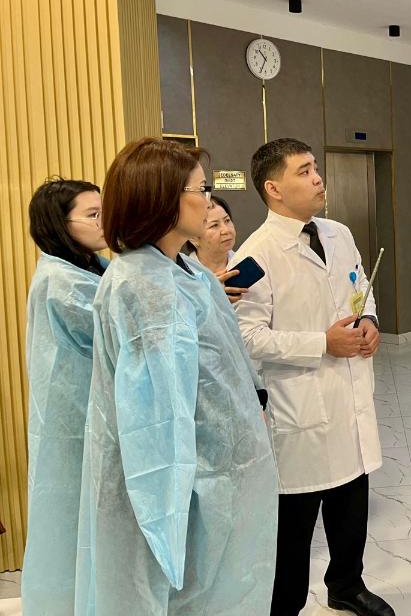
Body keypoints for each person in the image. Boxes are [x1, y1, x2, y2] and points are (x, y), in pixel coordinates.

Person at [74, 137, 278, 614]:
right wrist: (174, 512)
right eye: (200, 190)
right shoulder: (145, 287)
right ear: (162, 199)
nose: (210, 201)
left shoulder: (185, 270)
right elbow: (156, 424)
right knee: (189, 596)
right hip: (190, 487)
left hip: (219, 473)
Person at [232, 138, 390, 616]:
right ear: (273, 188)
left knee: (352, 501)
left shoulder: (339, 233)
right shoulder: (255, 255)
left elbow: (361, 287)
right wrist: (322, 343)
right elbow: (247, 338)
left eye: (315, 168)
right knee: (295, 525)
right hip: (300, 405)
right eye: (303, 171)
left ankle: (346, 584)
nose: (318, 178)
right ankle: (286, 606)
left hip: (349, 394)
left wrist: (369, 321)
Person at [21, 178, 108, 614]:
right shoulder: (63, 281)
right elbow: (122, 330)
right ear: (60, 225)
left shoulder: (95, 267)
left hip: (94, 419)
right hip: (74, 426)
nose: (104, 221)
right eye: (92, 215)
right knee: (74, 528)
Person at [184, 195, 246, 304]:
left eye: (227, 220)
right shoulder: (182, 275)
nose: (226, 230)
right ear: (193, 237)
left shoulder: (245, 264)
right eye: (214, 225)